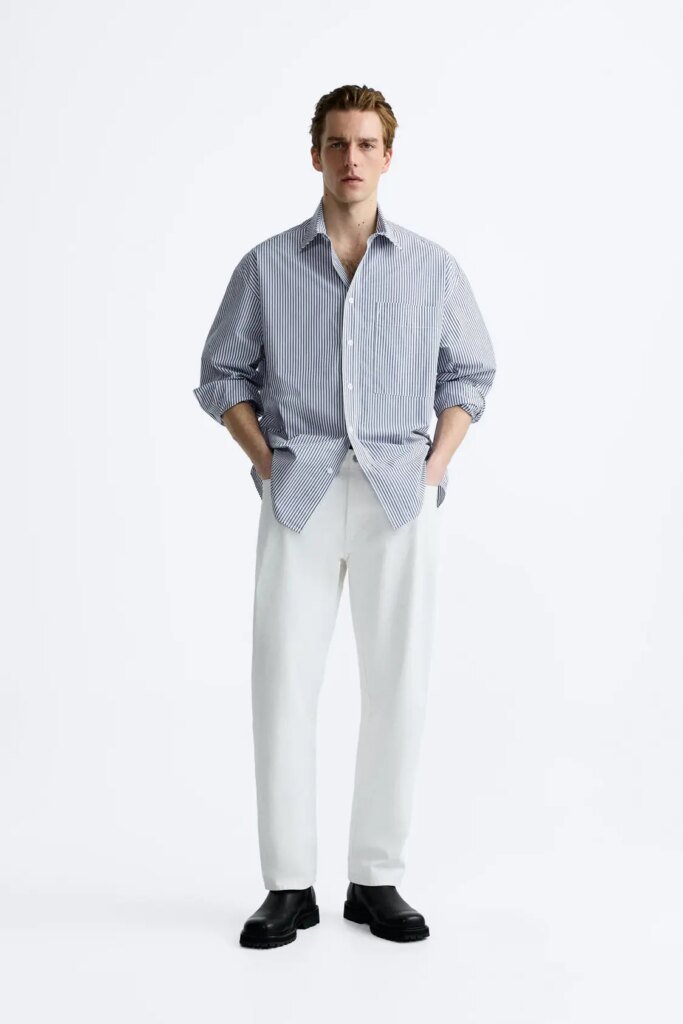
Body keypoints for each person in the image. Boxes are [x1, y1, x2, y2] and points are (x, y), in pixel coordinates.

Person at [193, 84, 496, 949]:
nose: (351, 158)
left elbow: (469, 374)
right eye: (336, 143)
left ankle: (375, 877)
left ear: (387, 157)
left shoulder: (431, 268)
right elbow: (221, 375)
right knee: (283, 686)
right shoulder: (265, 266)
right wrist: (268, 461)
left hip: (399, 495)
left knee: (397, 685)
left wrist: (433, 468)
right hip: (301, 495)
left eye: (366, 144)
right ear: (315, 155)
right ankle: (288, 885)